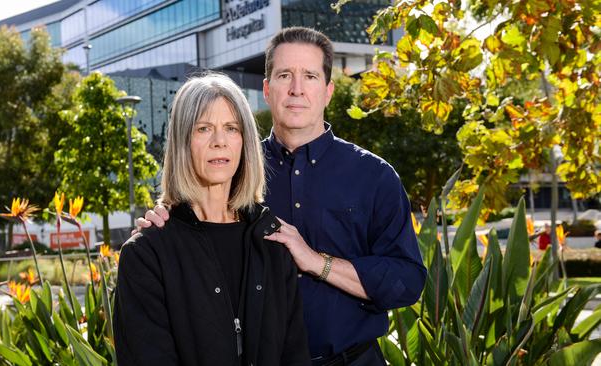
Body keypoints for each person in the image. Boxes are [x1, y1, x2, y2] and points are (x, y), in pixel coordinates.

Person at [137, 27, 427, 365]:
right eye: (285, 75)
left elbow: (407, 281)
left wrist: (316, 261)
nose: (297, 89)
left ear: (329, 90)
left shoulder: (374, 177)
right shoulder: (234, 171)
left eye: (310, 76)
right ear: (266, 89)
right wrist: (158, 223)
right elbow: (192, 229)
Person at [114, 73, 310, 366]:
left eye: (231, 128)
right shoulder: (147, 253)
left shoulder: (271, 241)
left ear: (244, 142)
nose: (220, 142)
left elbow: (295, 355)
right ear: (183, 141)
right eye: (203, 128)